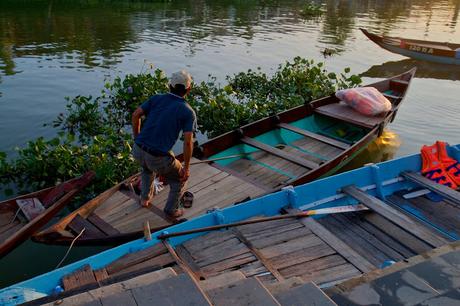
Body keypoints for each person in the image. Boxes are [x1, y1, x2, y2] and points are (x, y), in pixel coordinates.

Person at [132, 70, 196, 220]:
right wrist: (186, 169)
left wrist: (138, 138)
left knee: (147, 169)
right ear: (188, 89)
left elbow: (136, 115)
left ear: (169, 86)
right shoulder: (188, 111)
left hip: (137, 150)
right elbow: (188, 142)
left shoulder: (156, 98)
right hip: (157, 158)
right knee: (178, 179)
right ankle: (171, 210)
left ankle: (144, 199)